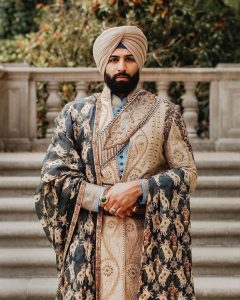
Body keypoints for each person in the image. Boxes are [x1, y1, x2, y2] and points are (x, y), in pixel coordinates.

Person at [35, 25, 197, 300]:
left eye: (129, 58)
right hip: (89, 245)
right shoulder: (76, 114)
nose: (121, 66)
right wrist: (105, 197)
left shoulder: (165, 113)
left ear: (139, 62)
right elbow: (55, 177)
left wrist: (141, 189)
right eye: (114, 59)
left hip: (149, 244)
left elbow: (188, 173)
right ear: (103, 64)